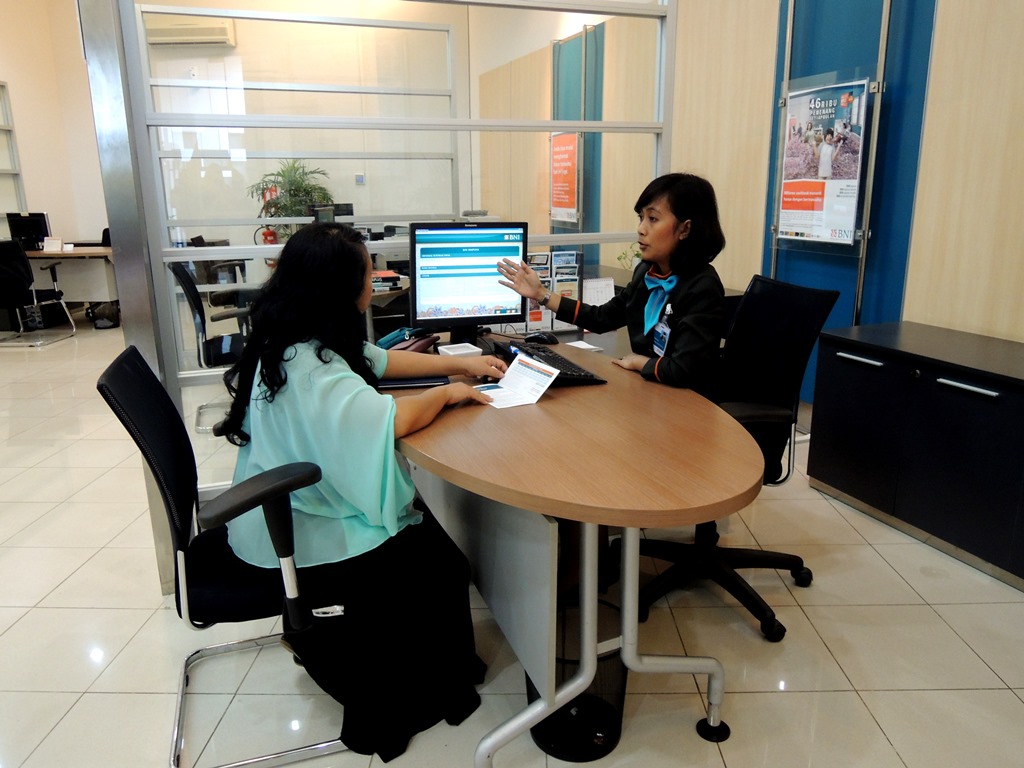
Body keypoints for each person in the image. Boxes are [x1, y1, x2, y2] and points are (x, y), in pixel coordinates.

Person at [217, 222, 507, 761]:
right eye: (369, 275)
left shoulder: (294, 335)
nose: (375, 283)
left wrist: (460, 362)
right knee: (443, 568)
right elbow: (389, 420)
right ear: (336, 286)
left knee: (439, 556)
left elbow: (381, 360)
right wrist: (449, 393)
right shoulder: (313, 368)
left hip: (282, 503)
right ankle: (416, 694)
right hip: (300, 525)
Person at [497, 172, 727, 393]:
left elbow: (685, 370)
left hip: (687, 402)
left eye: (653, 219)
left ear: (685, 229)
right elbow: (602, 318)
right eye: (641, 218)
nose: (641, 229)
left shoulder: (701, 286)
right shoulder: (646, 273)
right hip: (650, 391)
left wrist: (640, 362)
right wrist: (541, 293)